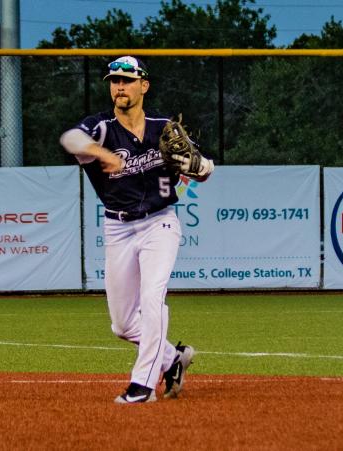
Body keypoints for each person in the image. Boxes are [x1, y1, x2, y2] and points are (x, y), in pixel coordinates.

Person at [60, 56, 214, 404]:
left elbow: (203, 169)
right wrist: (101, 153)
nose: (120, 86)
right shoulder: (101, 128)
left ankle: (142, 385)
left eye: (127, 80)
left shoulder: (162, 128)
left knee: (152, 297)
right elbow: (70, 139)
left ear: (143, 85)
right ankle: (172, 360)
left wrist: (202, 166)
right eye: (114, 80)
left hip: (159, 223)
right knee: (124, 324)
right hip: (118, 228)